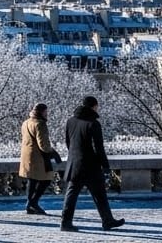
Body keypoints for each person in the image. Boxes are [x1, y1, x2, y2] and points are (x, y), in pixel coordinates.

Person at [60, 95, 124, 233]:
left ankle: (65, 222)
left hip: (75, 163)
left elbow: (68, 142)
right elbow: (98, 147)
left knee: (71, 195)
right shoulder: (93, 123)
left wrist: (74, 156)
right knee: (99, 194)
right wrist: (105, 165)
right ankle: (107, 221)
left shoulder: (70, 121)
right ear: (94, 106)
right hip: (91, 166)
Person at [19, 103, 61, 216]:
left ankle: (30, 204)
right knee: (47, 178)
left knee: (32, 180)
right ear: (42, 112)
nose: (47, 114)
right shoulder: (40, 124)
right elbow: (43, 145)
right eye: (46, 112)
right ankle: (33, 203)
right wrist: (53, 153)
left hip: (27, 155)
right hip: (38, 157)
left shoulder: (26, 122)